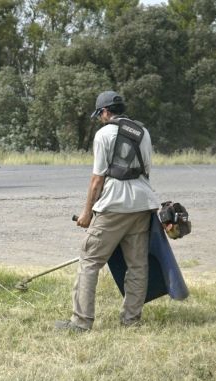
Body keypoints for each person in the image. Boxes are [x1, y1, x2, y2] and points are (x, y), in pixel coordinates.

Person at [56, 91, 160, 332]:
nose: (100, 118)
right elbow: (146, 169)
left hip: (113, 205)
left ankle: (81, 322)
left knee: (90, 260)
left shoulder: (104, 134)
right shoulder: (143, 132)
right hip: (142, 204)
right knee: (137, 265)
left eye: (100, 114)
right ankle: (131, 320)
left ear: (104, 112)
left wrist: (87, 213)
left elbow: (97, 179)